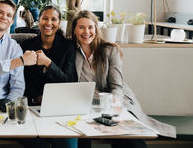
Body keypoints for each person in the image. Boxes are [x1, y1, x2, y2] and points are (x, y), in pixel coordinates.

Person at [71, 10, 176, 148]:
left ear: (96, 29)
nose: (86, 32)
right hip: (87, 104)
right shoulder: (70, 51)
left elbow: (117, 86)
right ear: (74, 30)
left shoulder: (109, 50)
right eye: (81, 27)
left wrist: (113, 105)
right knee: (80, 135)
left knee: (128, 138)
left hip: (114, 101)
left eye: (90, 27)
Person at [20, 5, 77, 148]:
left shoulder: (68, 46)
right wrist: (37, 96)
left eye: (53, 19)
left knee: (67, 143)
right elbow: (23, 80)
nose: (49, 23)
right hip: (34, 105)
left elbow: (68, 81)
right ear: (38, 20)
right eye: (45, 18)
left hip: (61, 106)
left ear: (59, 22)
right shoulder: (26, 45)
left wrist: (48, 63)